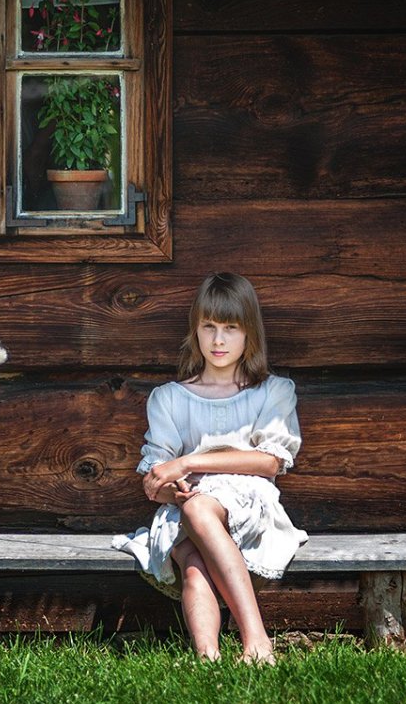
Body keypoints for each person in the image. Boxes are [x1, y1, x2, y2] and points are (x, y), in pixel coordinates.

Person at [113, 272, 307, 664]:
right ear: (195, 331)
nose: (218, 340)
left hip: (250, 507)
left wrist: (189, 462)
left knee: (198, 512)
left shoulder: (272, 391)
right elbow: (155, 477)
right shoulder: (169, 398)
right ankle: (209, 659)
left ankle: (256, 639)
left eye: (231, 328)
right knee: (193, 560)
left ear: (249, 332)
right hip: (187, 508)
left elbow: (269, 462)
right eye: (209, 327)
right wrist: (171, 489)